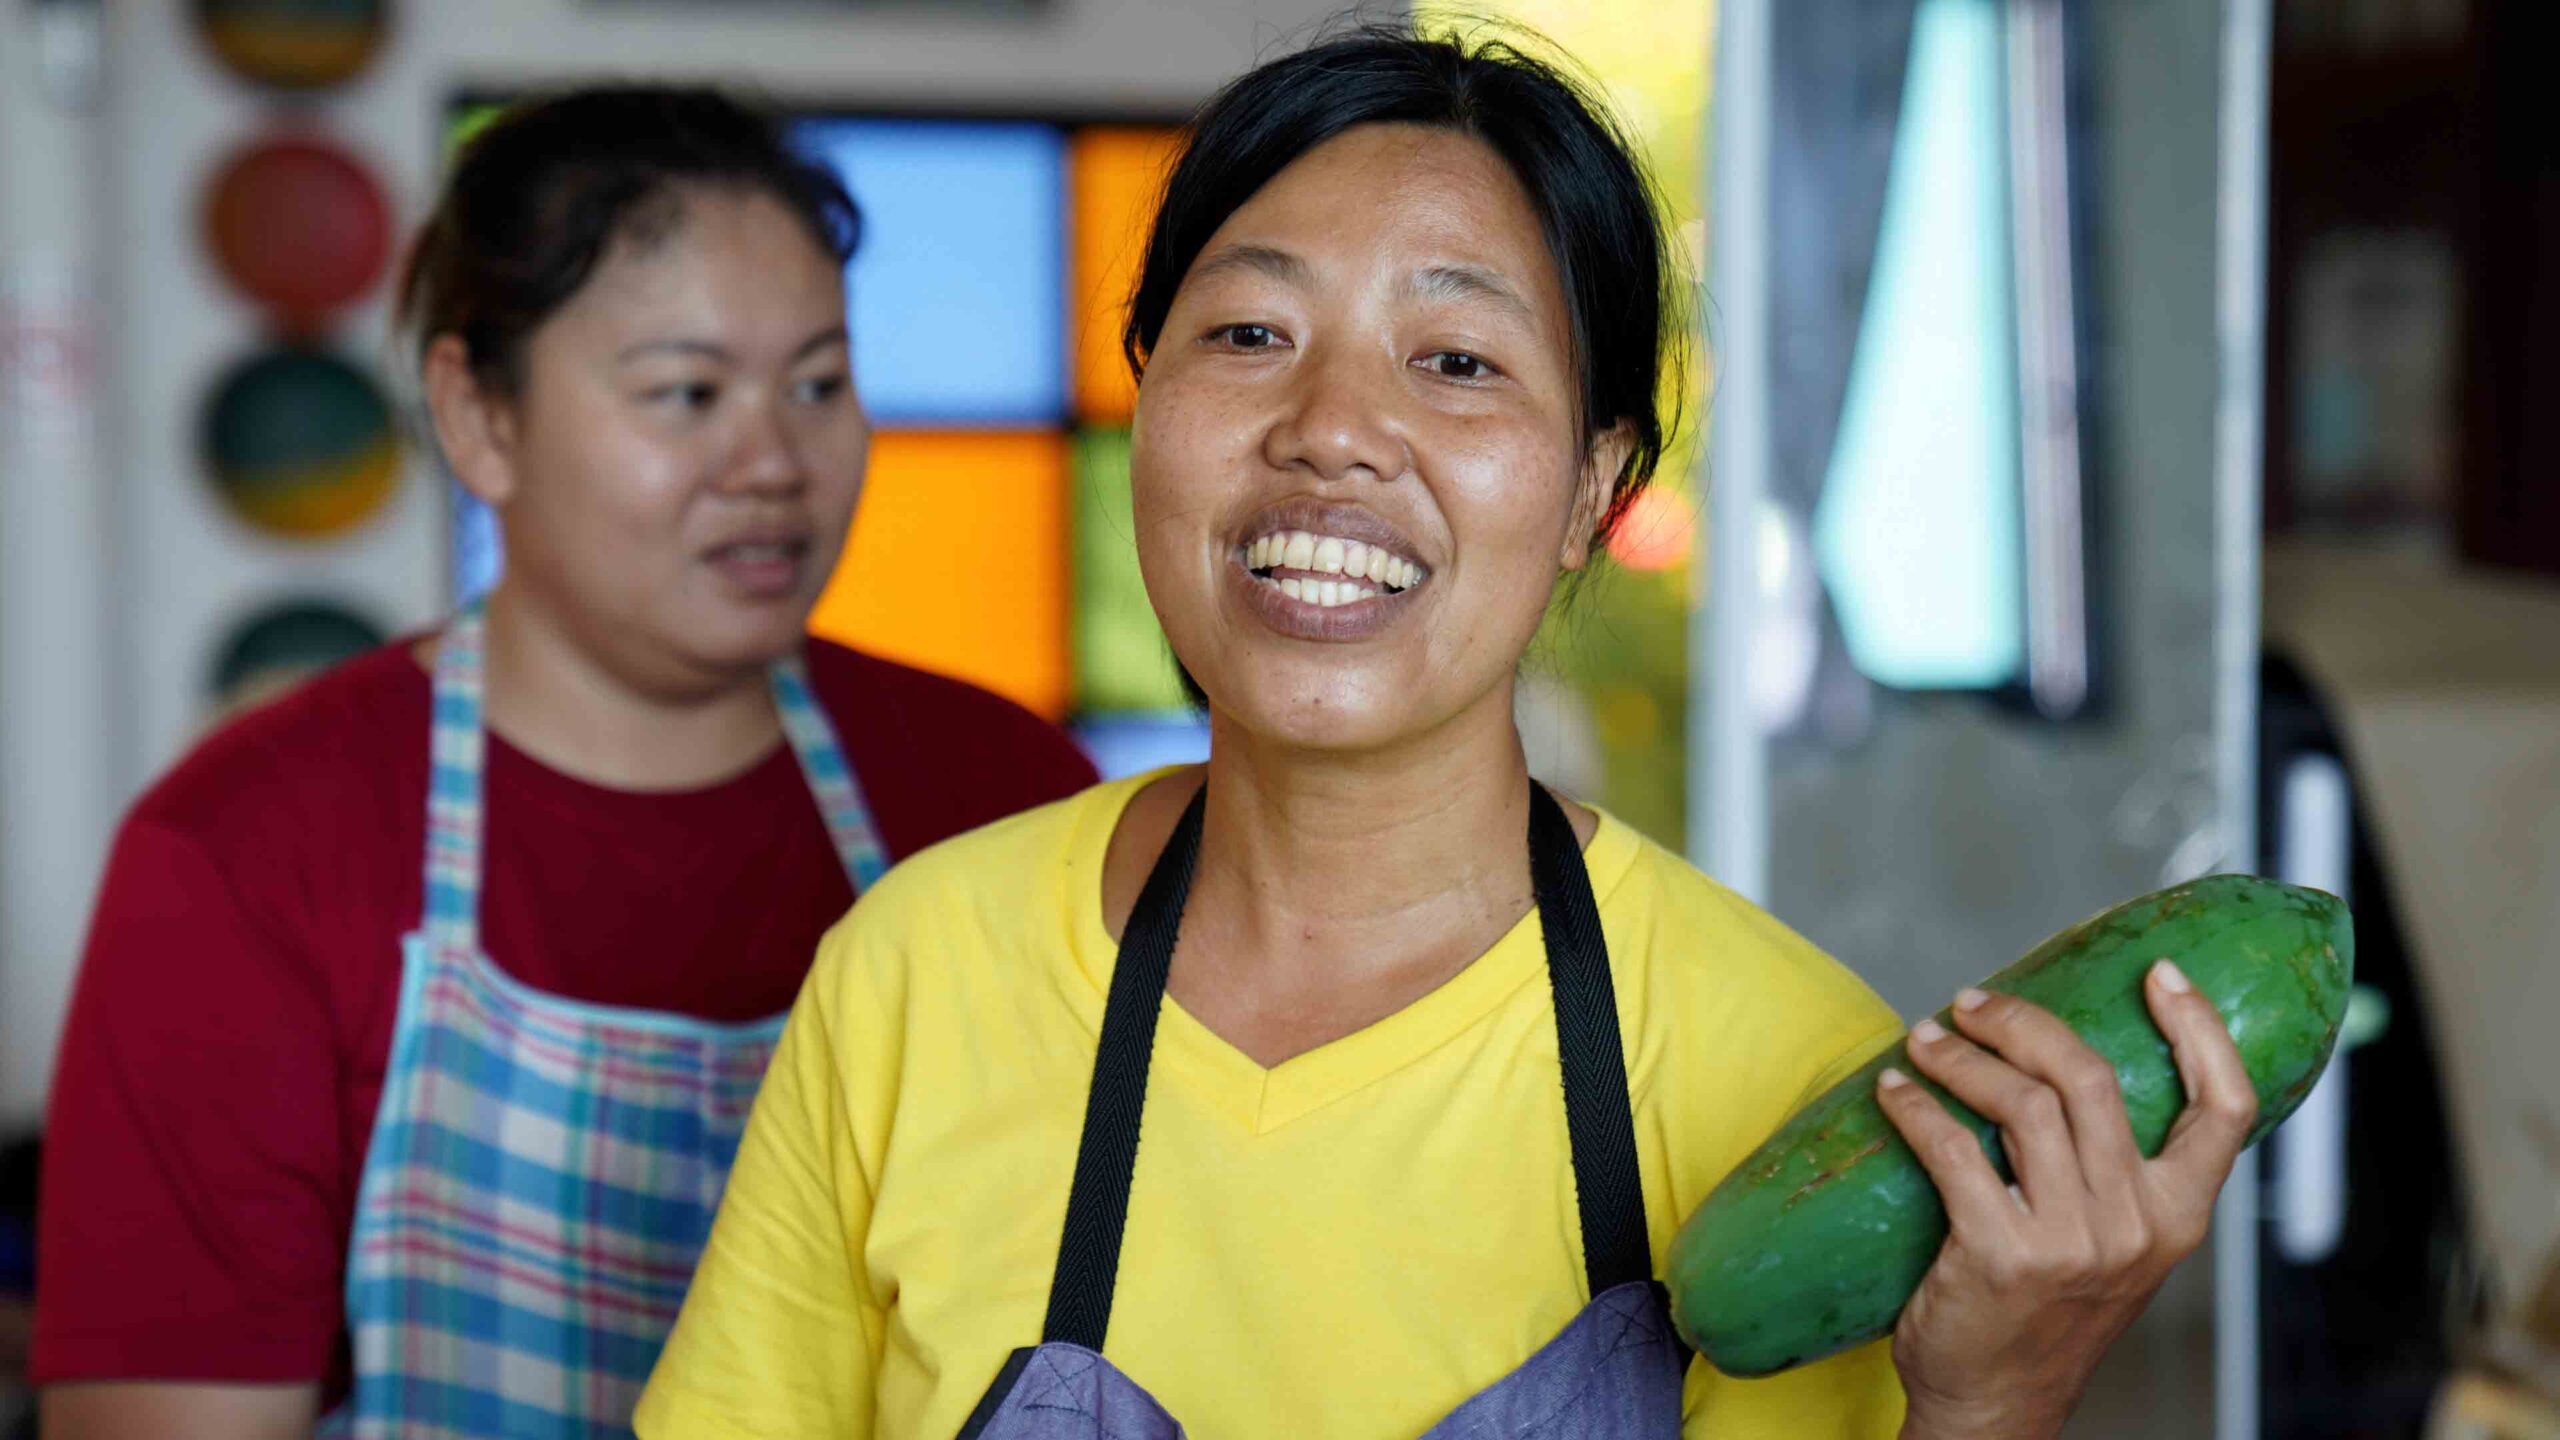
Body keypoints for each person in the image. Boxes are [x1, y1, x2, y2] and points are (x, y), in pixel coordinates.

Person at [634, 27, 2261, 1440]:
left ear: (1591, 496)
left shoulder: (1787, 1074)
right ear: (1152, 410)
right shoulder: (918, 973)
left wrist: (1995, 1403)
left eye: (1458, 360)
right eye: (1250, 335)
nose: (1334, 430)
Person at [34, 86, 1097, 1438]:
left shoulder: (1007, 794)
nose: (772, 461)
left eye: (819, 384)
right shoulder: (249, 850)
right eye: (686, 393)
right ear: (478, 418)